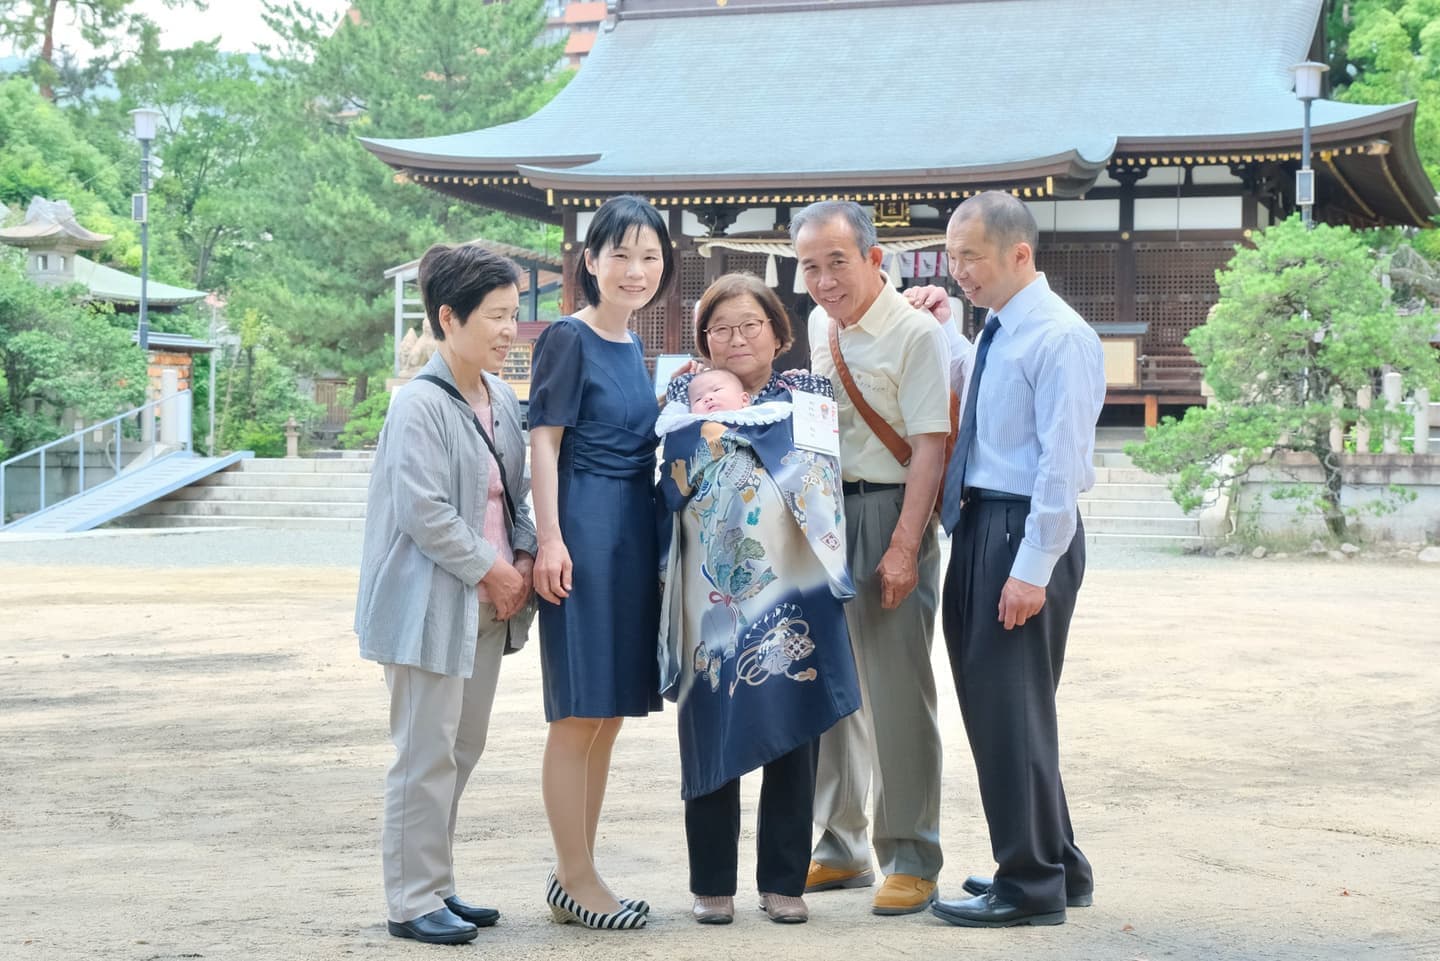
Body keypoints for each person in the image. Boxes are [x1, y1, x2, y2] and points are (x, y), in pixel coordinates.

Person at [920, 190, 1105, 928]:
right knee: (1010, 708)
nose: (958, 270)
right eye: (953, 256)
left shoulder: (1061, 336)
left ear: (1018, 254)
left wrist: (1031, 567)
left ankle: (1028, 883)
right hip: (981, 524)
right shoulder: (1001, 329)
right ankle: (1059, 862)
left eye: (970, 257)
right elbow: (993, 402)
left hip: (1020, 531)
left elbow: (1063, 463)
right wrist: (949, 335)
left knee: (1009, 713)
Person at [659, 272, 861, 926]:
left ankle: (783, 879)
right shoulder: (682, 400)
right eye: (721, 327)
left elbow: (826, 486)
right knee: (710, 731)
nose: (737, 337)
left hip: (795, 587)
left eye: (751, 324)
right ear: (704, 340)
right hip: (709, 598)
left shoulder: (806, 397)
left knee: (793, 734)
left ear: (779, 332)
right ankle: (712, 880)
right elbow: (665, 489)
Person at [355, 243, 536, 945]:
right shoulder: (418, 407)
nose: (507, 330)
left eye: (513, 315)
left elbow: (518, 491)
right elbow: (423, 510)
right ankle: (410, 899)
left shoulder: (504, 400)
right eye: (494, 316)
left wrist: (521, 551)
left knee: (461, 749)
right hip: (429, 605)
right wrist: (494, 568)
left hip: (485, 607)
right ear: (447, 318)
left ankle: (437, 882)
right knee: (424, 753)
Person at [793, 201, 953, 916]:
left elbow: (930, 446)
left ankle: (912, 853)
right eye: (810, 266)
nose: (825, 280)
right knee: (831, 693)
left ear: (874, 259)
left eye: (837, 262)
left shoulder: (917, 333)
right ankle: (840, 844)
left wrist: (902, 547)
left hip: (892, 512)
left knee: (895, 692)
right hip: (828, 513)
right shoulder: (819, 327)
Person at [528, 194, 674, 931]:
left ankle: (576, 874)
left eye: (649, 256)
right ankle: (574, 873)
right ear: (590, 260)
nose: (635, 269)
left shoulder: (635, 346)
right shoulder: (569, 337)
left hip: (630, 530)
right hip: (583, 524)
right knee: (578, 708)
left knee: (610, 711)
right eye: (620, 254)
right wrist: (551, 538)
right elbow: (545, 441)